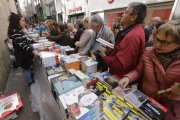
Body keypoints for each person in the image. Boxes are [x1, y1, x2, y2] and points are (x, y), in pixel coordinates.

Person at [119, 20, 180, 120]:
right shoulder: (148, 52)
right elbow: (139, 71)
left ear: (178, 44)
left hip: (170, 110)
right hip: (146, 101)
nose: (158, 45)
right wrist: (128, 78)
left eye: (164, 43)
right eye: (157, 39)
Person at [99, 2, 147, 78]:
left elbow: (121, 64)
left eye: (126, 12)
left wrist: (104, 56)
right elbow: (122, 51)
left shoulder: (132, 36)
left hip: (120, 76)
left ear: (133, 17)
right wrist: (110, 50)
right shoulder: (135, 30)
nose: (122, 14)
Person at [7, 12, 39, 86]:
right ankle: (29, 82)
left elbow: (26, 40)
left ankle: (31, 77)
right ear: (17, 21)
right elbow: (23, 45)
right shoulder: (15, 32)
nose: (24, 22)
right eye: (22, 20)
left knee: (28, 66)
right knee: (26, 68)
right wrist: (33, 50)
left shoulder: (19, 30)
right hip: (22, 54)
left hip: (25, 53)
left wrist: (34, 41)